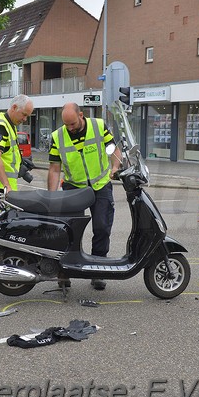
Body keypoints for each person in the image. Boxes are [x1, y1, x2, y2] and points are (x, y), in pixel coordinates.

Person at [47, 102, 122, 290]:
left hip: (100, 184)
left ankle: (98, 272)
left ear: (81, 115)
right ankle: (64, 272)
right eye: (67, 125)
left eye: (72, 124)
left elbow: (113, 148)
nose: (70, 128)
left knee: (102, 228)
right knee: (68, 232)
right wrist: (51, 196)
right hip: (74, 187)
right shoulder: (58, 137)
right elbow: (55, 169)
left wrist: (115, 167)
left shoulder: (98, 126)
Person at [0, 94, 34, 286]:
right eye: (24, 115)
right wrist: (6, 186)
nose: (25, 119)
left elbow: (6, 156)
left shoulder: (9, 125)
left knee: (3, 228)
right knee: (2, 230)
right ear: (14, 108)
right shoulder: (0, 126)